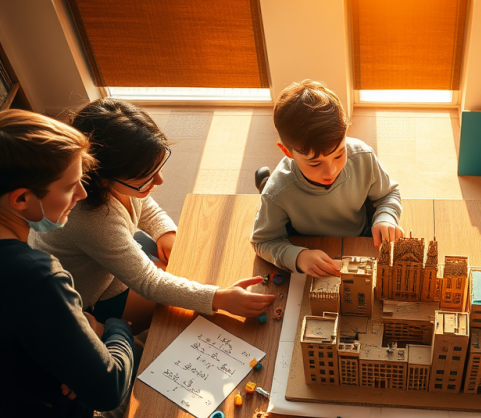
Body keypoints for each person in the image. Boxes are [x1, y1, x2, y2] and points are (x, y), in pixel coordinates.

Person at [31, 99, 274, 333]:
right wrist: (219, 299)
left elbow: (142, 202)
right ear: (103, 176)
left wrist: (163, 230)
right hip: (94, 296)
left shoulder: (110, 183)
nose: (159, 181)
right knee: (180, 318)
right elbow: (150, 283)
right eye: (145, 176)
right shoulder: (93, 219)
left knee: (180, 269)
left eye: (158, 168)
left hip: (108, 262)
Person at [0, 109, 136, 418]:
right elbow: (108, 391)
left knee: (145, 246)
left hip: (16, 416)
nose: (81, 193)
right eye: (69, 185)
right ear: (20, 199)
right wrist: (114, 329)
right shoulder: (36, 274)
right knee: (166, 344)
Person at [251, 80, 403, 277]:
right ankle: (265, 184)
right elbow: (262, 241)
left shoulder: (363, 156)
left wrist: (386, 216)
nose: (331, 171)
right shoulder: (277, 192)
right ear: (286, 152)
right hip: (306, 242)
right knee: (272, 194)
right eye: (315, 163)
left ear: (347, 131)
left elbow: (388, 193)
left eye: (339, 154)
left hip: (360, 235)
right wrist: (297, 257)